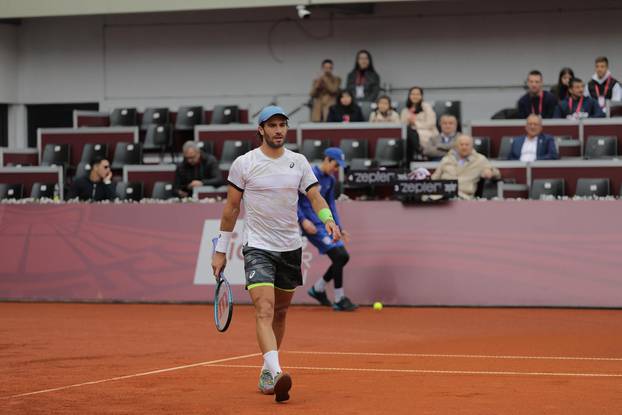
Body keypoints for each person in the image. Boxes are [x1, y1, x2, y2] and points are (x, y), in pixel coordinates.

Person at [211, 106, 341, 403]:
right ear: (261, 129)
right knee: (264, 309)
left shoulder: (298, 161)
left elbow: (315, 195)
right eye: (273, 125)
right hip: (257, 247)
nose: (279, 130)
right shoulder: (244, 164)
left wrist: (328, 219)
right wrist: (221, 251)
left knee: (280, 312)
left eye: (283, 125)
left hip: (290, 248)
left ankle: (267, 370)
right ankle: (277, 371)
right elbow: (231, 209)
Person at [298, 147, 357, 311]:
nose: (336, 170)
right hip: (311, 226)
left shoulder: (331, 181)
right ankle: (339, 298)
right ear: (327, 160)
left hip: (325, 225)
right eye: (336, 165)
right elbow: (294, 200)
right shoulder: (310, 175)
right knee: (339, 255)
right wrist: (302, 221)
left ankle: (318, 288)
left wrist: (339, 227)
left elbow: (331, 205)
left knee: (343, 257)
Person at [431, 135, 501, 200]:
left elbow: (497, 174)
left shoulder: (480, 160)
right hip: (442, 195)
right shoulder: (447, 159)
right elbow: (434, 178)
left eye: (467, 145)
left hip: (464, 196)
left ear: (472, 146)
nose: (464, 147)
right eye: (461, 144)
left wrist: (490, 172)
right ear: (456, 146)